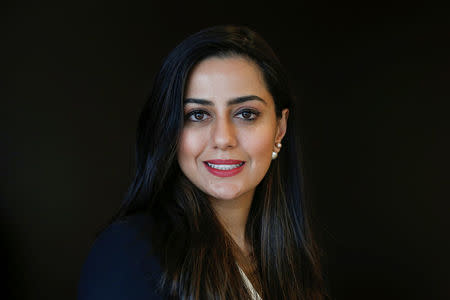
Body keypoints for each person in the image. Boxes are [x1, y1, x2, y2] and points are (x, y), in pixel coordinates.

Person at [78, 25, 326, 299]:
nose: (223, 139)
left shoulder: (289, 260)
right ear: (169, 129)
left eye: (246, 114)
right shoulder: (127, 253)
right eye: (197, 115)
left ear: (280, 128)